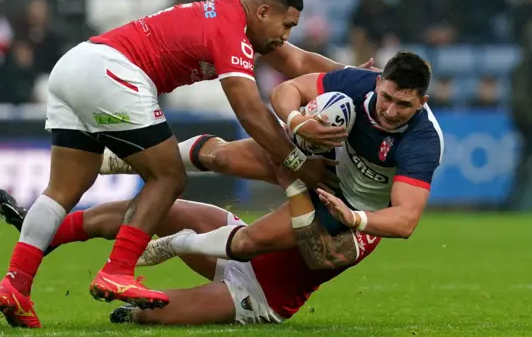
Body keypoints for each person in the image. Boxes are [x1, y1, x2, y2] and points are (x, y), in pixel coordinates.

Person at [0, 0, 371, 328]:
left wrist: (360, 78)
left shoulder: (232, 19)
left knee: (63, 190)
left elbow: (298, 62)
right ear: (263, 11)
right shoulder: (231, 30)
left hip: (76, 65)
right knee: (168, 176)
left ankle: (15, 283)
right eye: (286, 26)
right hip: (115, 71)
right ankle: (118, 270)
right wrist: (298, 163)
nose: (286, 36)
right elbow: (251, 112)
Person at [101, 51, 444, 270]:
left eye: (403, 105)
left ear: (421, 101)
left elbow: (405, 221)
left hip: (342, 198)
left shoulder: (423, 141)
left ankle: (179, 243)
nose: (390, 110)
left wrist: (353, 216)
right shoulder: (358, 83)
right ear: (379, 82)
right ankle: (125, 160)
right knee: (221, 156)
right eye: (386, 97)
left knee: (253, 241)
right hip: (319, 153)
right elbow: (287, 90)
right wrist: (298, 121)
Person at [0, 159, 381, 326]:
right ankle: (47, 231)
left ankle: (143, 309)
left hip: (260, 294)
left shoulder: (372, 222)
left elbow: (259, 241)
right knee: (161, 204)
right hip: (238, 242)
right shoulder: (337, 168)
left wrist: (179, 245)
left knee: (140, 313)